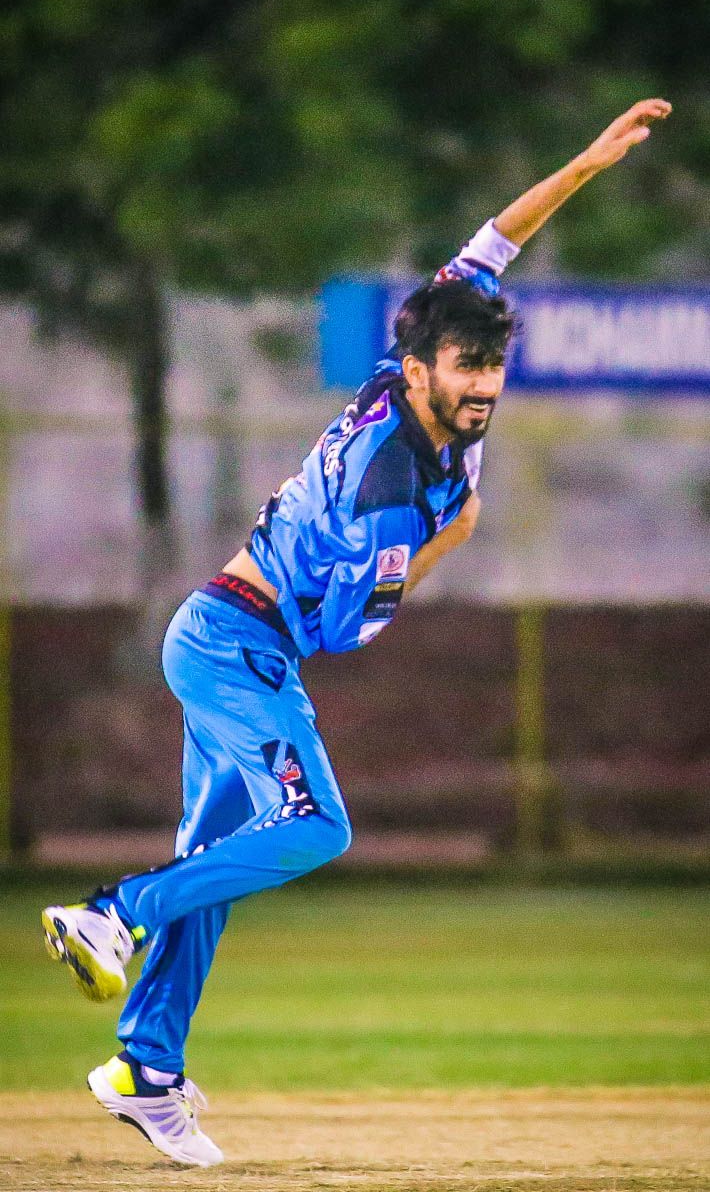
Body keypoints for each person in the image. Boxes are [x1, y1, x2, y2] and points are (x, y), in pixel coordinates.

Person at [42, 98, 671, 1167]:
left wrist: (586, 163)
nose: (483, 388)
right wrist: (448, 542)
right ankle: (116, 913)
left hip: (228, 636)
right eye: (466, 371)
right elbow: (345, 631)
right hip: (239, 648)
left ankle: (144, 1068)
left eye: (492, 368)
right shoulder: (388, 497)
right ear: (419, 371)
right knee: (314, 828)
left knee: (221, 861)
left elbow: (496, 241)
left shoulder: (417, 353)